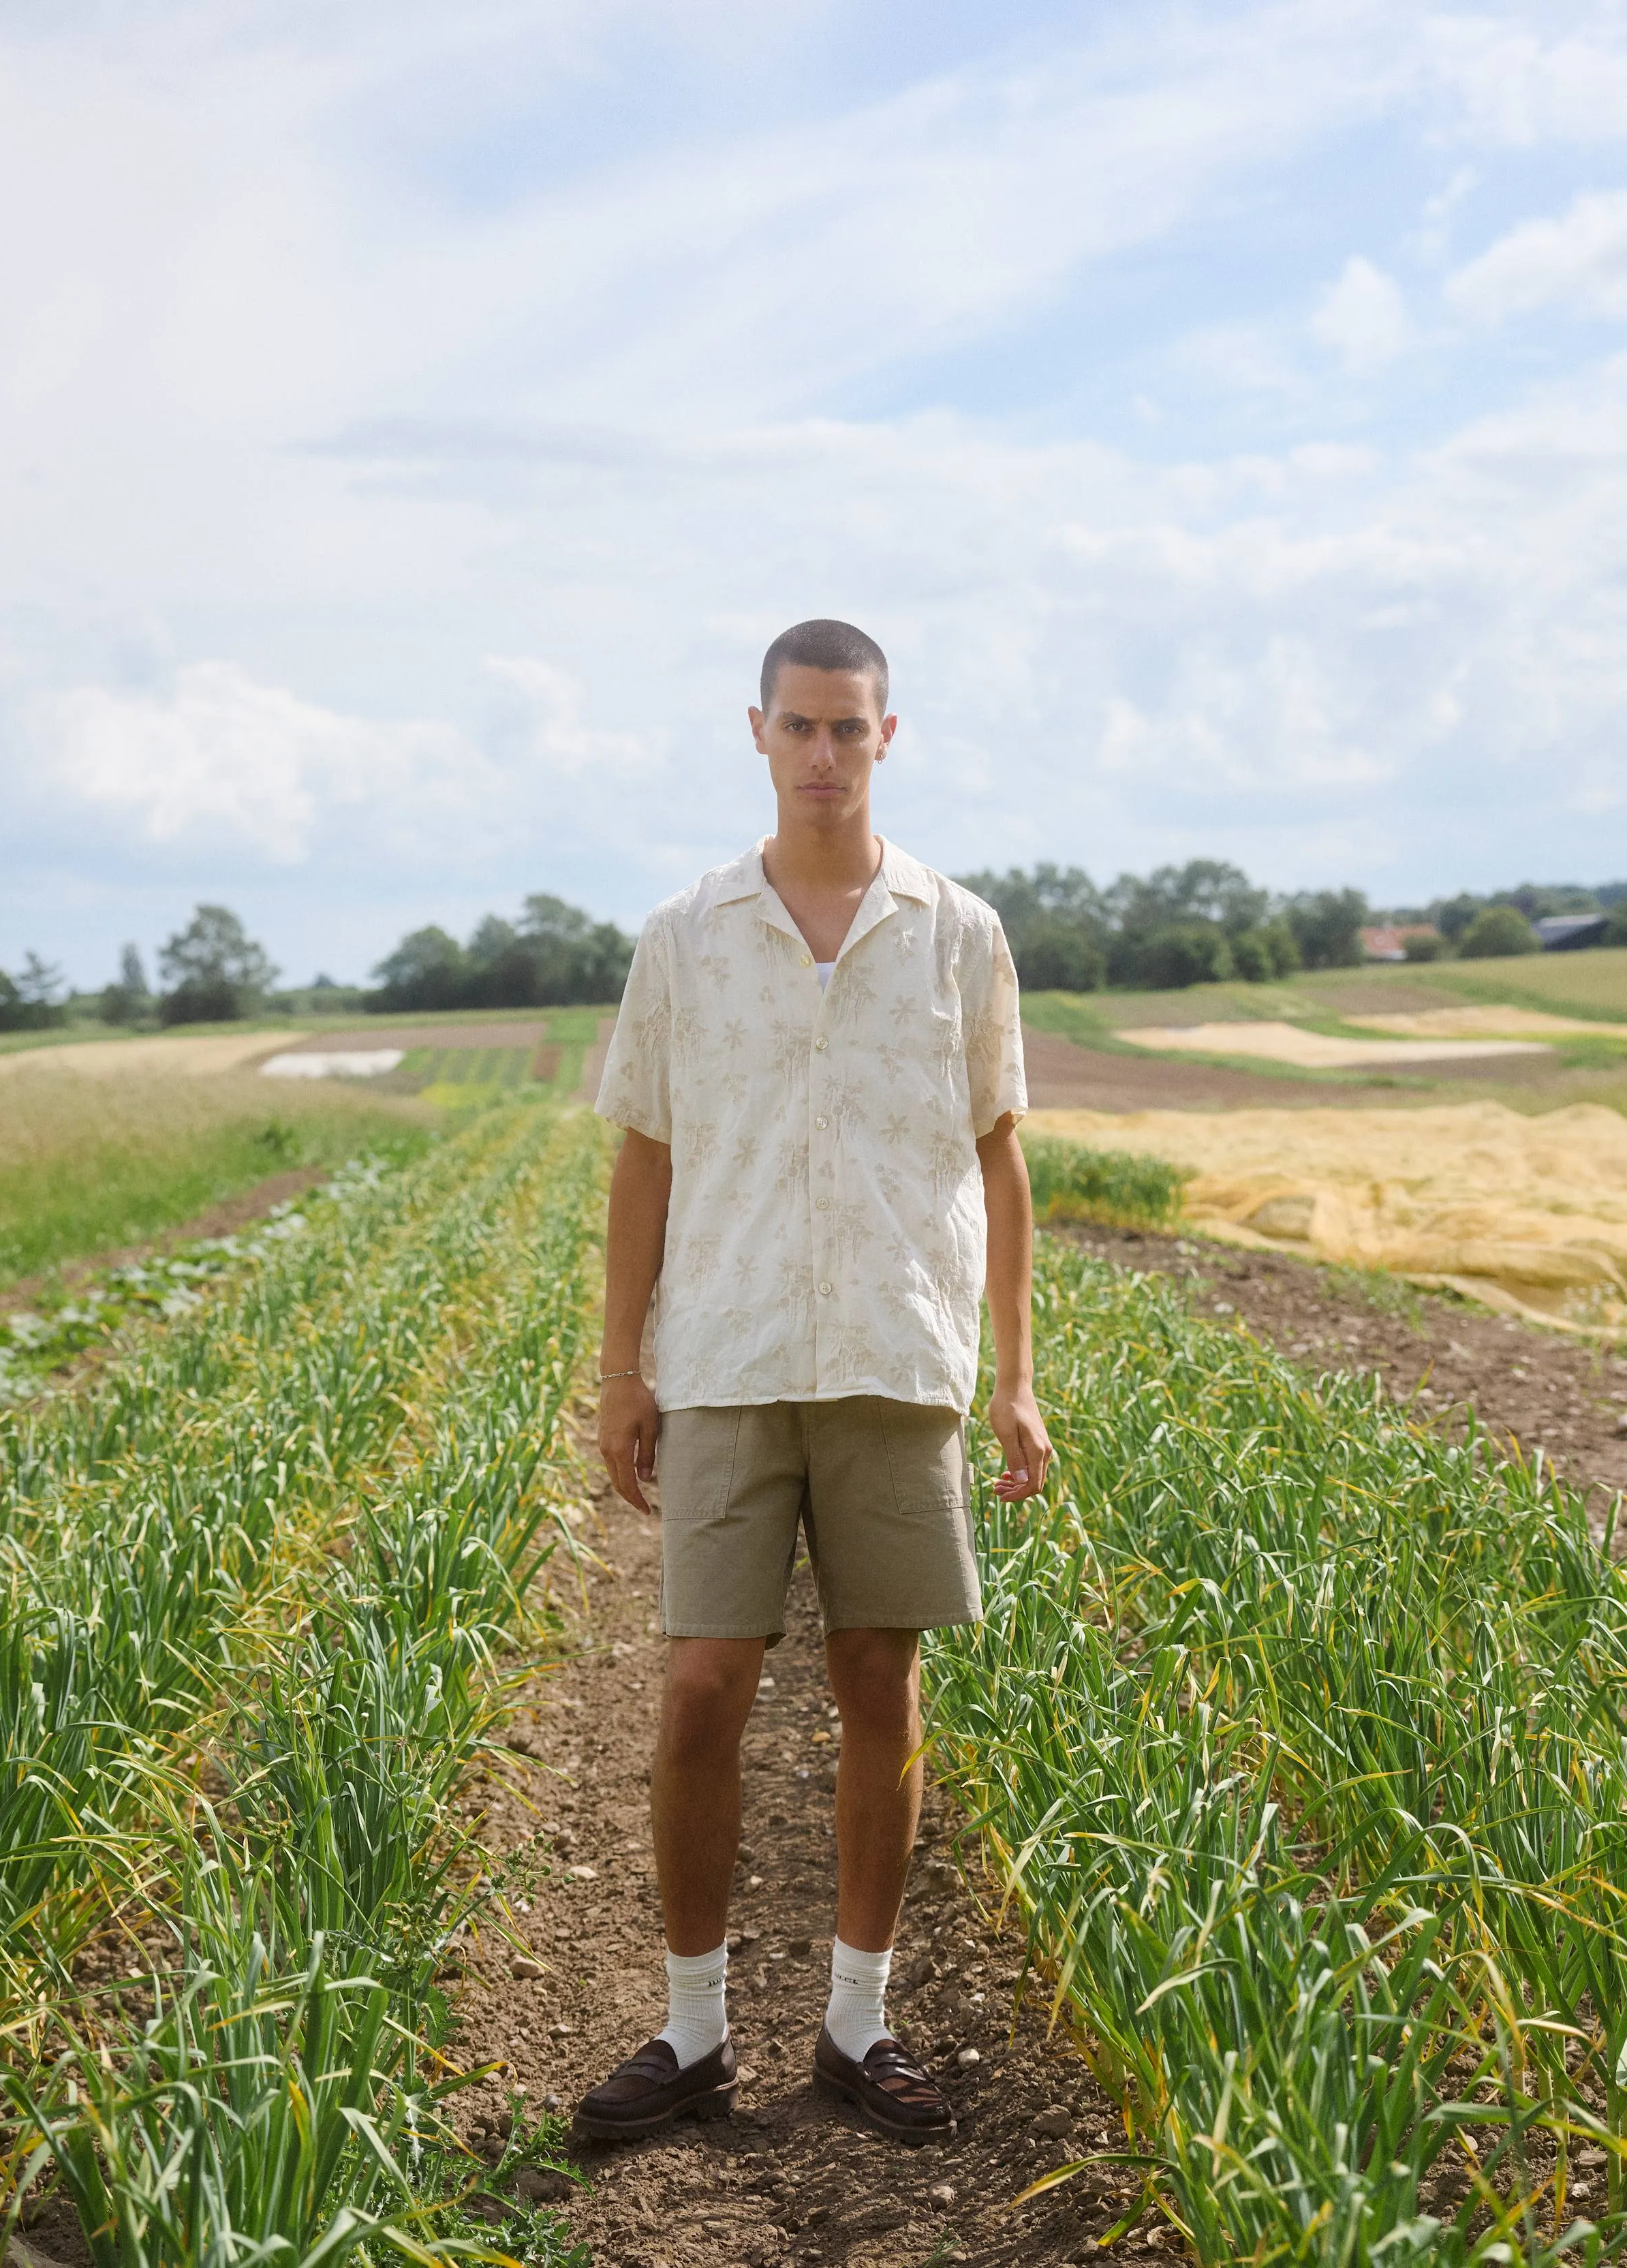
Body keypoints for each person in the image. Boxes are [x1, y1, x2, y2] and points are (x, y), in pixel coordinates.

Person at [574, 617, 1052, 2147]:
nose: (826, 753)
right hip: (725, 1357)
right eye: (801, 725)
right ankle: (691, 2031)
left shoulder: (959, 932)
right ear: (759, 732)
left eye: (851, 727)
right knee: (700, 1688)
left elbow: (1000, 1158)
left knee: (877, 1686)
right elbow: (643, 1160)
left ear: (886, 737)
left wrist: (1015, 1378)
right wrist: (620, 1367)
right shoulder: (686, 934)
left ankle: (857, 2022)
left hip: (896, 1358)